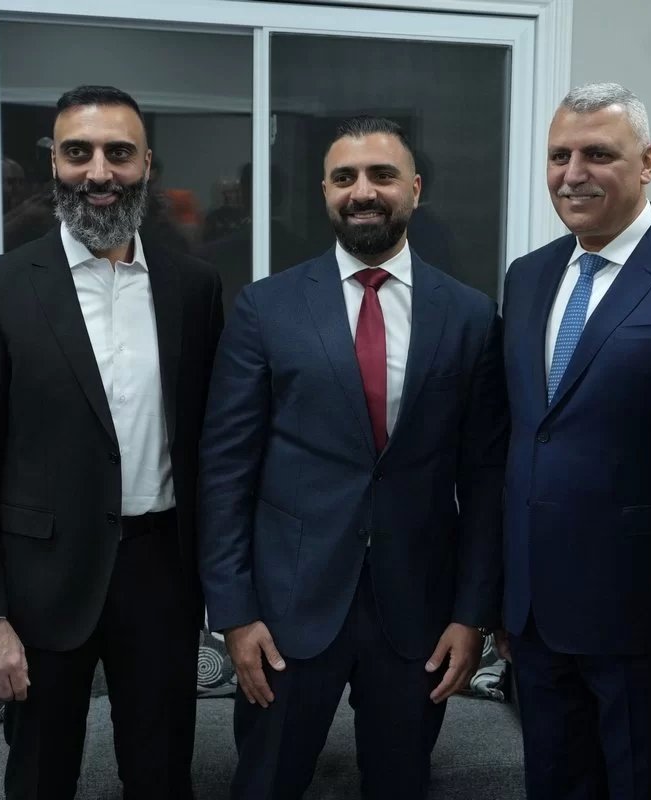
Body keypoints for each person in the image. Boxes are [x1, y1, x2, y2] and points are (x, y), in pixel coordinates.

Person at [198, 116, 508, 799]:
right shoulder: (266, 307)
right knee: (265, 784)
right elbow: (224, 471)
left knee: (401, 785)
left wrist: (471, 614)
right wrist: (234, 613)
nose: (362, 191)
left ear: (415, 190)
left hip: (417, 613)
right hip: (287, 609)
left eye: (381, 175)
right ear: (325, 193)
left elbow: (486, 479)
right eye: (344, 177)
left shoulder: (469, 316)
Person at [0, 85, 224, 799]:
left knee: (162, 777)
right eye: (79, 153)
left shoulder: (193, 288)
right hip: (41, 583)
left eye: (118, 153)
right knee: (40, 779)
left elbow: (210, 445)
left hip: (162, 576)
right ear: (55, 165)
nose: (99, 172)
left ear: (146, 165)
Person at [500, 82, 651, 800]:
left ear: (647, 162)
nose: (572, 174)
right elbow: (524, 439)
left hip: (645, 628)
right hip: (536, 620)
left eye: (598, 155)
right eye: (559, 156)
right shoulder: (528, 276)